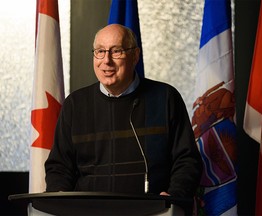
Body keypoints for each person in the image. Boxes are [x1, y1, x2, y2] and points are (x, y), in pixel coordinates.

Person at [45, 24, 203, 202]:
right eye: (100, 51)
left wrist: (175, 196)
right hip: (89, 212)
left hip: (151, 212)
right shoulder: (75, 104)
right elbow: (59, 167)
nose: (106, 60)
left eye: (116, 51)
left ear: (135, 56)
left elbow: (187, 160)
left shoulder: (165, 97)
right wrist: (58, 201)